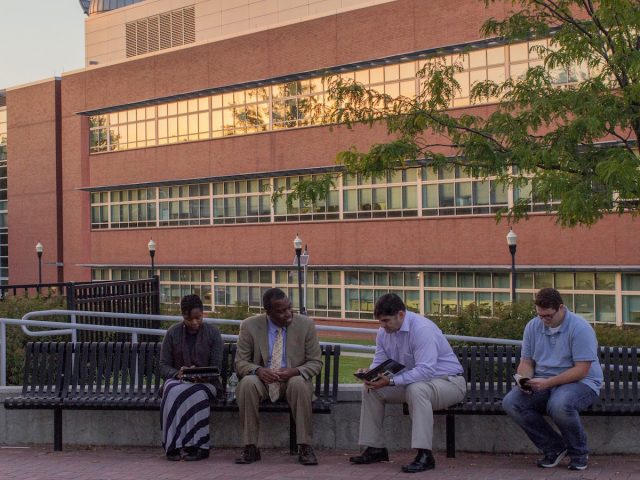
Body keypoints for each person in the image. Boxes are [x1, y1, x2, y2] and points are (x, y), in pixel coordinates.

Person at [349, 293, 466, 473]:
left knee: (417, 389)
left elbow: (426, 370)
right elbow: (380, 360)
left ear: (401, 315)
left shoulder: (422, 329)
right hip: (414, 383)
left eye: (386, 320)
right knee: (371, 389)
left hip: (449, 383)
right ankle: (375, 448)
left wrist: (392, 381)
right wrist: (371, 375)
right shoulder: (384, 332)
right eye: (380, 321)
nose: (382, 326)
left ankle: (425, 455)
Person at [502, 288, 603, 471]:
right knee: (512, 402)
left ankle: (579, 453)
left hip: (581, 382)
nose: (544, 320)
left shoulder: (580, 328)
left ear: (561, 308)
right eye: (540, 315)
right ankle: (554, 447)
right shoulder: (533, 326)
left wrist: (547, 383)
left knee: (559, 405)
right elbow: (527, 362)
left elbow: (581, 370)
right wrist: (524, 380)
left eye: (548, 316)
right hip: (544, 381)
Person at [234, 288, 322, 466]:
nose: (287, 314)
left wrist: (295, 371)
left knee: (298, 383)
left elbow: (315, 362)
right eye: (281, 311)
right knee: (247, 383)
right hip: (263, 381)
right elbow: (240, 362)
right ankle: (250, 446)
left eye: (289, 308)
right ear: (268, 311)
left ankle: (304, 446)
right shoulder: (250, 326)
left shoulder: (306, 325)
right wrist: (258, 370)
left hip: (292, 380)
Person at [159, 294, 223, 461]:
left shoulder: (213, 333)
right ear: (183, 316)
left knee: (196, 394)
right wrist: (177, 373)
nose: (194, 322)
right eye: (190, 319)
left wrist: (200, 373)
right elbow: (163, 365)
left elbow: (217, 367)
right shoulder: (172, 332)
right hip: (178, 380)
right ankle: (173, 445)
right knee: (171, 391)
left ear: (203, 313)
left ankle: (199, 446)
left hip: (206, 382)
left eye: (198, 317)